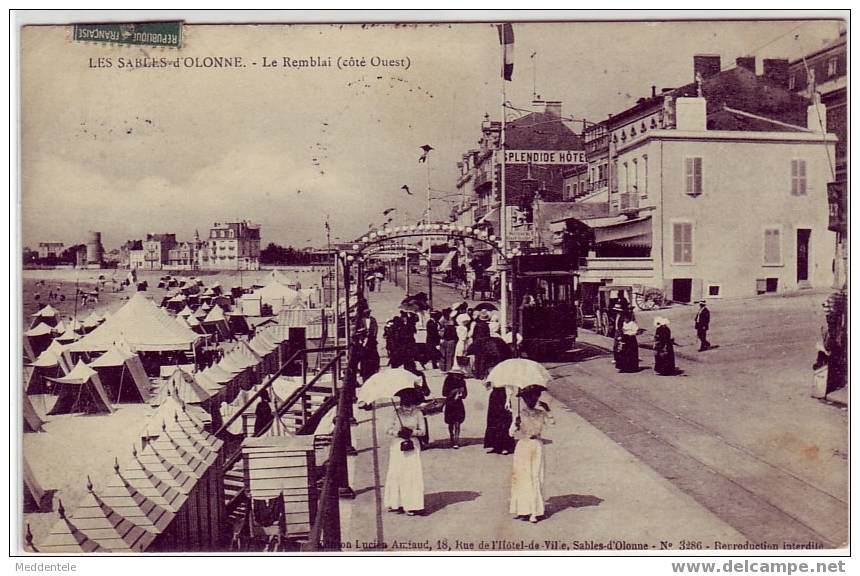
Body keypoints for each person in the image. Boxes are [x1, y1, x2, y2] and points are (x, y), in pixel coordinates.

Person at [509, 386, 554, 523]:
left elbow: (552, 423)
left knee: (535, 476)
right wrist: (515, 425)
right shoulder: (520, 414)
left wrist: (548, 410)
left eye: (534, 397)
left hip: (536, 445)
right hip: (523, 445)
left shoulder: (541, 414)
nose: (531, 400)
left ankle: (535, 511)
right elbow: (511, 433)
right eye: (528, 398)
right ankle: (523, 510)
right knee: (521, 476)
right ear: (523, 399)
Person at [384, 388, 426, 515]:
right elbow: (386, 429)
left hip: (412, 446)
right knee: (397, 472)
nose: (406, 405)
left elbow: (423, 431)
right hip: (398, 446)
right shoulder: (395, 413)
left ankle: (412, 504)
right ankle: (396, 502)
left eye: (409, 401)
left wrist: (412, 432)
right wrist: (397, 433)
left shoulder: (418, 413)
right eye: (404, 401)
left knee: (412, 474)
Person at [483, 383, 515, 455]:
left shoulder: (505, 375)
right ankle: (496, 446)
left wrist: (507, 401)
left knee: (504, 422)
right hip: (494, 397)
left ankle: (505, 447)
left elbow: (509, 388)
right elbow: (488, 388)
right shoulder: (494, 374)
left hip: (503, 397)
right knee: (494, 421)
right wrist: (487, 383)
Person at [442, 368, 468, 449]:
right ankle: (451, 437)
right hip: (450, 403)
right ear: (452, 374)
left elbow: (465, 395)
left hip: (458, 403)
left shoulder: (462, 382)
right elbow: (444, 393)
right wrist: (454, 391)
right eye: (456, 375)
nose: (458, 376)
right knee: (450, 422)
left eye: (459, 375)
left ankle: (456, 440)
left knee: (458, 422)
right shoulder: (447, 381)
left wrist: (462, 393)